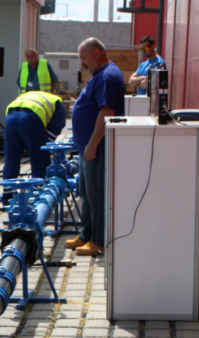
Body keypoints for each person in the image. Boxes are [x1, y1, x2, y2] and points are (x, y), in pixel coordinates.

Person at [66, 38, 124, 257]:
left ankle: (98, 241)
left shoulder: (108, 76)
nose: (83, 63)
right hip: (87, 148)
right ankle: (86, 234)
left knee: (96, 194)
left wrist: (93, 143)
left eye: (84, 57)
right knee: (87, 193)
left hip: (96, 149)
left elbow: (106, 112)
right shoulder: (99, 75)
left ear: (97, 53)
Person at [1, 91, 66, 202]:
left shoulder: (29, 95)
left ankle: (8, 197)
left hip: (11, 116)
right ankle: (38, 196)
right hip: (30, 118)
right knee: (39, 159)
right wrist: (41, 146)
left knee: (11, 158)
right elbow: (54, 129)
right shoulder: (58, 102)